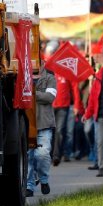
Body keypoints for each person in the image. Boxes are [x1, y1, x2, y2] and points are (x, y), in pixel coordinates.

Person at [26, 65, 57, 197]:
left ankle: (43, 179)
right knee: (28, 157)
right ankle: (29, 186)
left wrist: (31, 93)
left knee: (42, 155)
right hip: (28, 124)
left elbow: (49, 97)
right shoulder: (24, 77)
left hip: (44, 123)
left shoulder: (50, 78)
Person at [51, 74, 82, 166]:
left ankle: (56, 155)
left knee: (59, 130)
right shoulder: (49, 71)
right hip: (50, 105)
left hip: (63, 106)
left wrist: (77, 105)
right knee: (51, 131)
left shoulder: (66, 72)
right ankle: (51, 154)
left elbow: (75, 88)